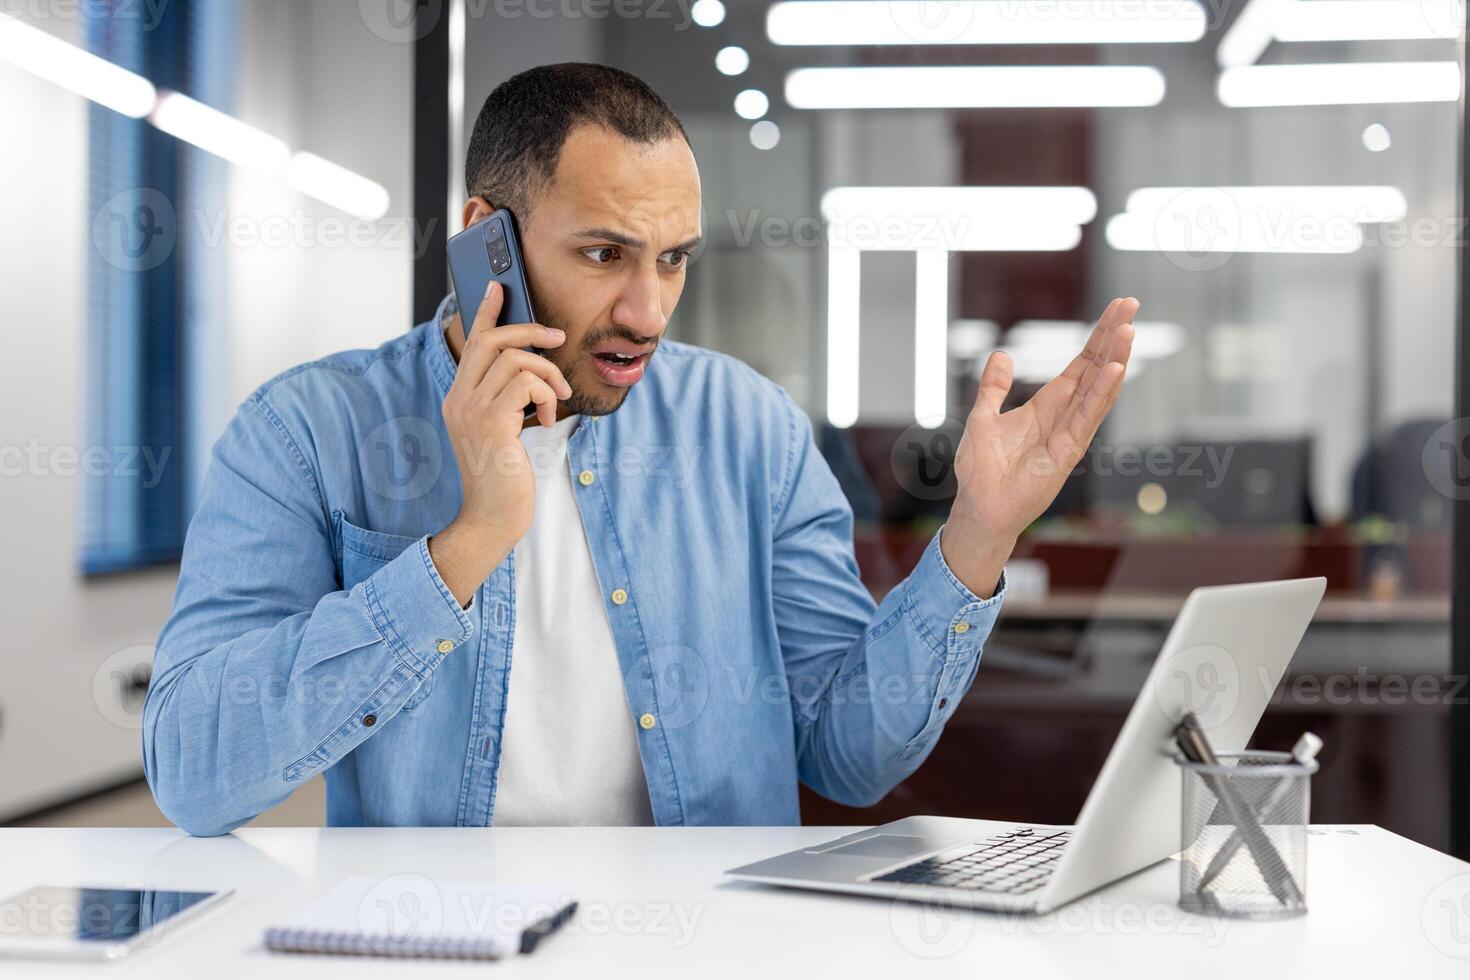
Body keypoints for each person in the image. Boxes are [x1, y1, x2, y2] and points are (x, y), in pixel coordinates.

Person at [143, 62, 1137, 836]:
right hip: (433, 940)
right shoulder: (309, 430)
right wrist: (469, 542)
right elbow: (196, 770)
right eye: (604, 254)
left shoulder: (747, 427)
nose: (647, 310)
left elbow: (849, 752)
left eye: (672, 260)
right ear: (485, 238)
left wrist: (977, 533)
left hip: (704, 944)